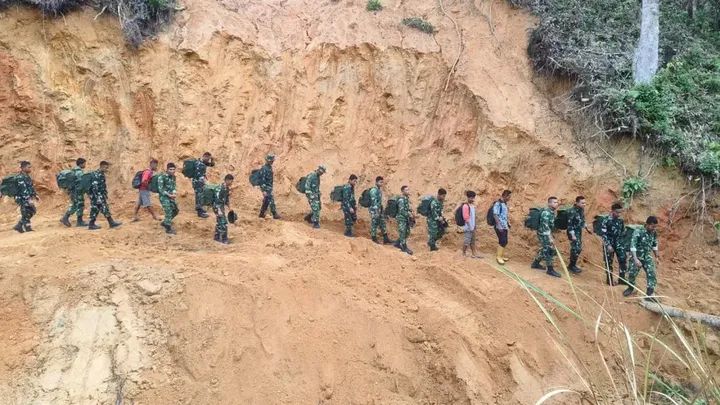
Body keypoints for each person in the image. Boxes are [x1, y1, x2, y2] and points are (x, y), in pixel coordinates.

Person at [623, 216, 661, 301]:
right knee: (632, 274)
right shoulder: (638, 231)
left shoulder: (653, 232)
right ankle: (630, 288)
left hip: (647, 256)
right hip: (637, 256)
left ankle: (649, 294)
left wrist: (657, 256)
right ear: (647, 224)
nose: (654, 228)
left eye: (655, 227)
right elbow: (633, 245)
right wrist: (635, 259)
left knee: (651, 273)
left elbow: (654, 244)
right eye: (653, 226)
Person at [531, 196, 561, 278]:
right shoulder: (546, 213)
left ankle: (535, 263)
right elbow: (545, 227)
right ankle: (550, 269)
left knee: (544, 249)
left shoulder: (551, 212)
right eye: (555, 202)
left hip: (547, 233)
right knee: (548, 250)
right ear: (549, 203)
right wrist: (550, 238)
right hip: (544, 234)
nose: (557, 204)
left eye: (557, 202)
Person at [88, 161, 122, 230]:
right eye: (106, 168)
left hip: (99, 195)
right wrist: (98, 197)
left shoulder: (101, 174)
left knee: (96, 209)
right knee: (103, 208)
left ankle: (91, 224)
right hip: (97, 196)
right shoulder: (96, 175)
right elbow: (95, 187)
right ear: (102, 166)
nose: (107, 169)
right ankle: (111, 222)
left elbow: (102, 186)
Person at [599, 202, 627, 286]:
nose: (619, 214)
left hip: (619, 244)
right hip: (609, 244)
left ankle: (622, 279)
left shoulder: (620, 221)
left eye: (620, 212)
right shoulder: (606, 220)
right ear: (612, 211)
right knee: (609, 262)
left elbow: (622, 232)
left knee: (623, 260)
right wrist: (608, 245)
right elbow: (603, 234)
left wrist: (623, 244)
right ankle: (609, 280)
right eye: (617, 212)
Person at [566, 196, 593, 274]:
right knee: (576, 248)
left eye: (585, 203)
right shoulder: (572, 211)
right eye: (582, 203)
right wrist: (573, 235)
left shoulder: (581, 210)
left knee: (578, 248)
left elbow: (582, 220)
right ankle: (571, 266)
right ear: (577, 203)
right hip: (572, 232)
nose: (584, 204)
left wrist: (587, 228)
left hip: (578, 231)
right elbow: (569, 225)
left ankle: (572, 265)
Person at [11, 161, 39, 233]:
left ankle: (20, 226)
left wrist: (35, 195)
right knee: (28, 211)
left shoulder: (27, 177)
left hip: (26, 197)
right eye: (28, 167)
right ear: (23, 168)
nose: (30, 168)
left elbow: (30, 187)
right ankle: (26, 227)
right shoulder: (20, 177)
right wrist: (28, 199)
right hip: (22, 198)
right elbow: (23, 190)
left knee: (30, 211)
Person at [60, 157, 87, 227]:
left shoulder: (73, 170)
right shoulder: (79, 172)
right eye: (84, 163)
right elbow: (81, 182)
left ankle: (78, 221)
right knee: (78, 205)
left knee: (76, 204)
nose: (85, 165)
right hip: (77, 192)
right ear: (81, 164)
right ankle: (67, 218)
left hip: (73, 191)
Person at [368, 176, 393, 244]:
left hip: (379, 210)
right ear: (376, 182)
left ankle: (385, 238)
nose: (381, 184)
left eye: (382, 182)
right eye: (380, 182)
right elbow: (374, 202)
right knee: (374, 223)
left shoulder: (378, 190)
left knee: (382, 222)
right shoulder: (373, 190)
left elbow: (379, 201)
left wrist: (381, 209)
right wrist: (377, 211)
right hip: (374, 210)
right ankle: (373, 238)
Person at [158, 163, 179, 234]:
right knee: (168, 211)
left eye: (173, 169)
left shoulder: (173, 177)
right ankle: (168, 229)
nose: (172, 171)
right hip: (164, 197)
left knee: (176, 210)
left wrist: (174, 193)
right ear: (167, 170)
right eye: (170, 169)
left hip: (171, 197)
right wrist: (169, 195)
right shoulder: (162, 177)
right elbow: (161, 190)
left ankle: (165, 222)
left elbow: (174, 186)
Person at [213, 174, 234, 244]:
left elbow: (226, 200)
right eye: (231, 181)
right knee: (224, 222)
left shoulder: (227, 188)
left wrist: (230, 208)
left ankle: (216, 237)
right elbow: (217, 199)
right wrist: (219, 210)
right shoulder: (220, 188)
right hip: (217, 207)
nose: (231, 183)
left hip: (221, 207)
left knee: (219, 222)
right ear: (227, 180)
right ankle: (224, 239)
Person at [394, 185, 414, 255]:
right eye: (406, 190)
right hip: (401, 218)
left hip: (405, 218)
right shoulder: (401, 200)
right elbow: (401, 211)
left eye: (408, 190)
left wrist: (410, 210)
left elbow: (406, 208)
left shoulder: (406, 198)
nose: (408, 191)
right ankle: (404, 247)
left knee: (407, 232)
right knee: (402, 232)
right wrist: (409, 214)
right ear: (402, 191)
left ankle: (397, 243)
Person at [258, 153, 280, 219]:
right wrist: (263, 190)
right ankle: (274, 214)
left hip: (269, 187)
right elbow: (262, 180)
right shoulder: (264, 169)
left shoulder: (269, 168)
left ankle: (262, 213)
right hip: (266, 187)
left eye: (272, 161)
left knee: (266, 201)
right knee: (271, 200)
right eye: (271, 161)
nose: (272, 162)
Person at [192, 152, 214, 218]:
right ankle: (200, 212)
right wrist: (203, 180)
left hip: (199, 182)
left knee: (199, 195)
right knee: (199, 196)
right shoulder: (199, 164)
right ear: (204, 157)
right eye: (208, 159)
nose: (208, 160)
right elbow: (198, 175)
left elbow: (212, 165)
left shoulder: (203, 162)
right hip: (197, 182)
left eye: (209, 159)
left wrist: (212, 159)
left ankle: (199, 208)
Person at [492, 190, 512, 265]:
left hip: (504, 226)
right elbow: (495, 215)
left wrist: (508, 223)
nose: (509, 198)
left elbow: (504, 215)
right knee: (503, 241)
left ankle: (501, 255)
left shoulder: (504, 204)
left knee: (504, 241)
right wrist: (499, 225)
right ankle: (498, 257)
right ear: (505, 196)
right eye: (509, 197)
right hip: (499, 226)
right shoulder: (498, 204)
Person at [461, 190, 481, 258]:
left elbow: (473, 217)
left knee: (473, 242)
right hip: (468, 227)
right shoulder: (465, 206)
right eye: (471, 198)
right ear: (468, 197)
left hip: (472, 227)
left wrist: (474, 226)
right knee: (466, 241)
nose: (472, 199)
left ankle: (474, 253)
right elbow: (466, 218)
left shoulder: (472, 206)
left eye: (473, 198)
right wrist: (470, 227)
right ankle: (463, 253)